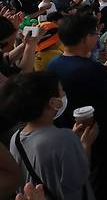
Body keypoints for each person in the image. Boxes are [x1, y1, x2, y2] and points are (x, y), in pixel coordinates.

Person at [47, 13, 107, 200]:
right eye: (95, 33)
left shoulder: (53, 64)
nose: (97, 37)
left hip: (69, 132)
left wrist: (104, 70)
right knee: (100, 180)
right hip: (98, 135)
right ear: (85, 38)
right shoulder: (91, 68)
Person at [0, 72, 98, 200]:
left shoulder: (15, 139)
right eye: (61, 91)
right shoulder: (64, 139)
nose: (64, 94)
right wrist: (85, 145)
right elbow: (79, 177)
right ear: (54, 103)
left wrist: (71, 140)